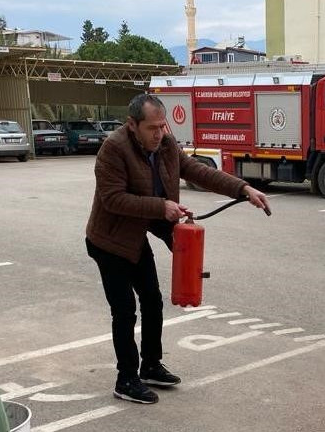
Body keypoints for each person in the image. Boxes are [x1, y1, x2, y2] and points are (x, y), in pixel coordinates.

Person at [86, 94, 270, 404]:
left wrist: (243, 188)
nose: (159, 134)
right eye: (151, 128)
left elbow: (200, 172)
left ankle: (151, 365)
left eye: (162, 126)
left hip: (137, 236)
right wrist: (162, 207)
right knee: (124, 310)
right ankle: (126, 379)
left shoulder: (167, 146)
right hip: (109, 240)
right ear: (132, 125)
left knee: (153, 300)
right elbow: (113, 199)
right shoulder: (114, 149)